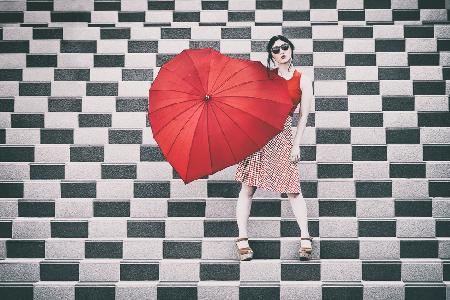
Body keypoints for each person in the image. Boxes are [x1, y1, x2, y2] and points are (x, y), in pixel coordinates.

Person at [233, 35, 314, 261]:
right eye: (276, 50)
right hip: (259, 134)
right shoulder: (266, 78)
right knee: (248, 187)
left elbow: (303, 117)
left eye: (285, 47)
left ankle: (306, 238)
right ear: (272, 55)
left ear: (291, 49)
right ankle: (242, 239)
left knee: (293, 188)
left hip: (283, 134)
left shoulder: (302, 80)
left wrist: (296, 144)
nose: (281, 52)